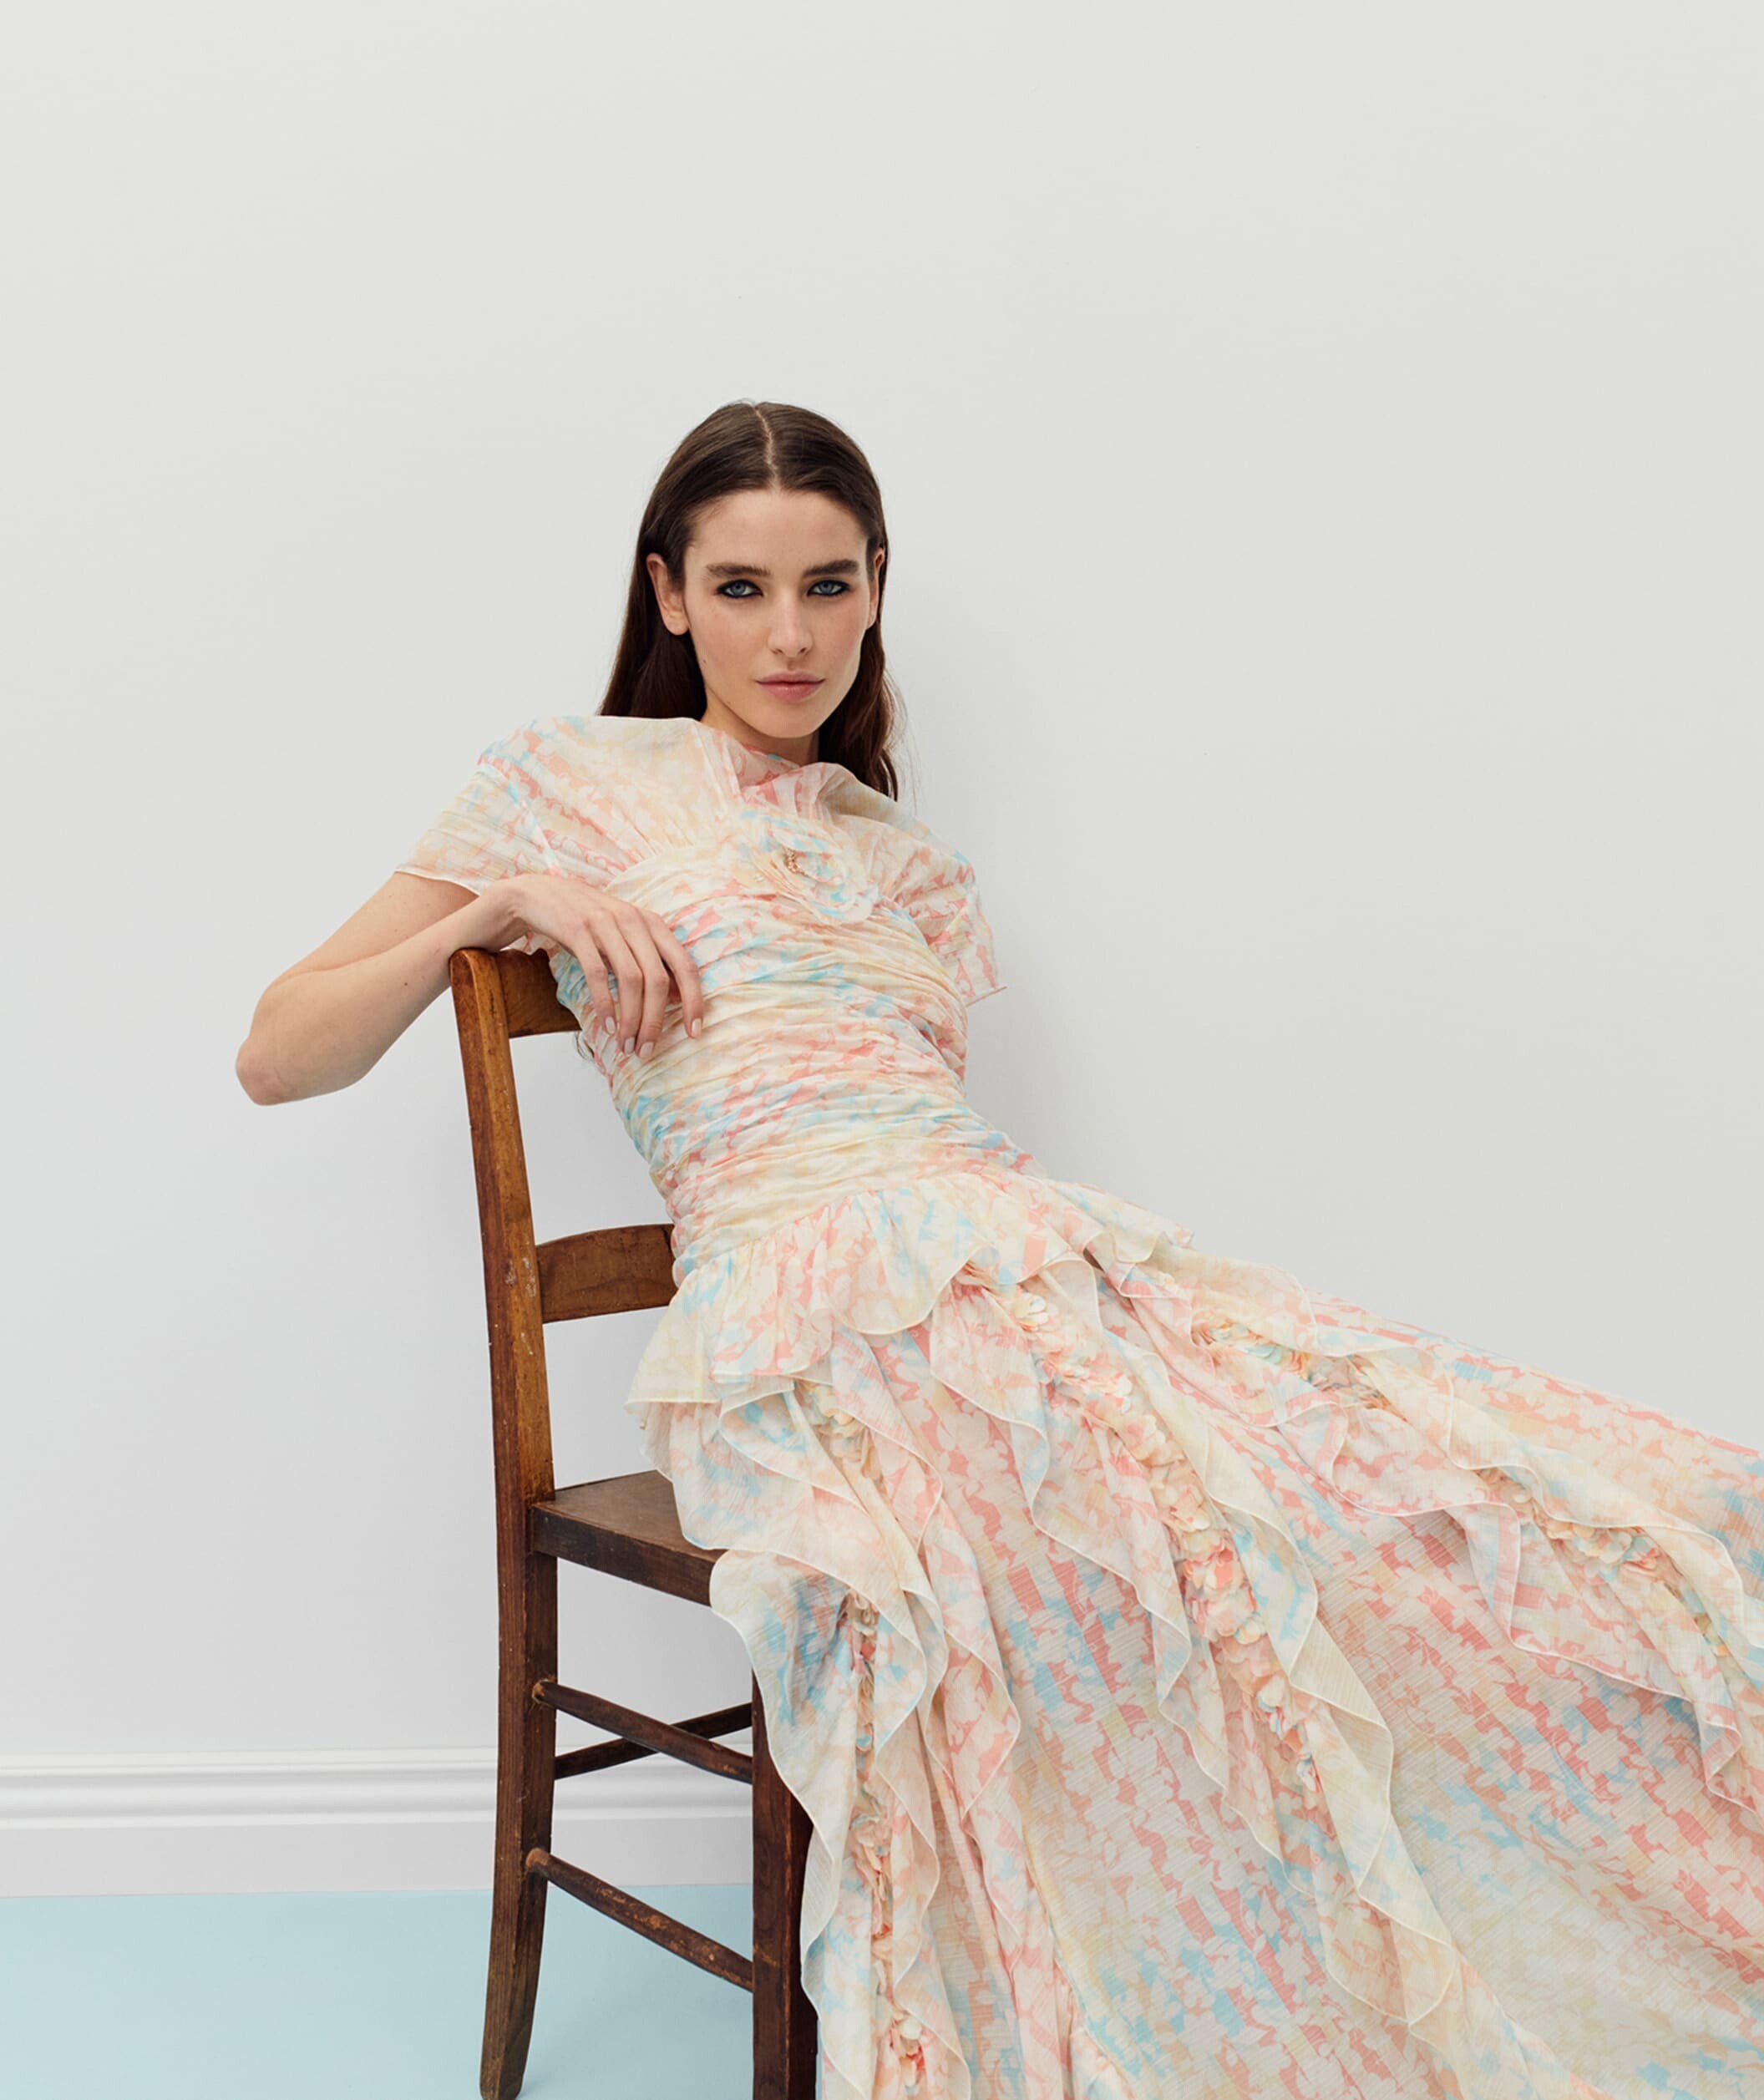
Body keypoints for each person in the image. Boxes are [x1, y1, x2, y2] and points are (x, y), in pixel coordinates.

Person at [236, 400, 1764, 2100]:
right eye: (741, 589)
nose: (791, 635)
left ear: (878, 587)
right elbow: (278, 1053)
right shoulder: (563, 781)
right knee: (1123, 1555)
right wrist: (496, 907)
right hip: (797, 1319)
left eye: (829, 586)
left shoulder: (908, 863)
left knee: (1465, 1498)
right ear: (667, 595)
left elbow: (921, 1136)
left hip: (1017, 1258)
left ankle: (1492, 1937)